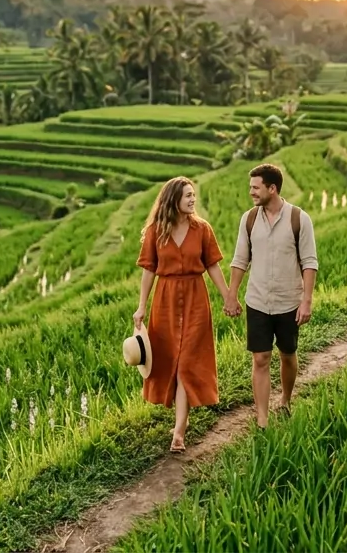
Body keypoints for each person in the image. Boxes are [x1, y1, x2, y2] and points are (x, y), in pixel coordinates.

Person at [133, 176, 235, 453]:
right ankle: (179, 423)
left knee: (189, 361)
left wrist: (228, 296)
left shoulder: (202, 229)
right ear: (173, 200)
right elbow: (148, 270)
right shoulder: (156, 231)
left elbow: (213, 265)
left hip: (195, 298)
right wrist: (141, 306)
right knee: (171, 363)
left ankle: (179, 430)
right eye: (188, 195)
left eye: (194, 195)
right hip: (164, 300)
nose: (193, 199)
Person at [226, 163, 318, 429]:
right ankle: (262, 418)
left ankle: (286, 399)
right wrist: (232, 295)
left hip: (289, 301)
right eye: (251, 187)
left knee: (287, 354)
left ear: (272, 188)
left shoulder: (299, 219)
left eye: (256, 188)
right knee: (260, 358)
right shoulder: (249, 219)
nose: (251, 192)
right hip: (257, 301)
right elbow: (240, 259)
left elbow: (310, 262)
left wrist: (306, 300)